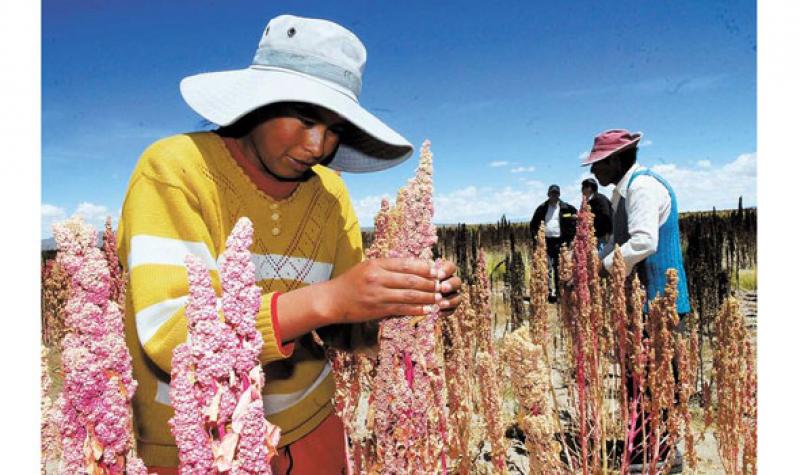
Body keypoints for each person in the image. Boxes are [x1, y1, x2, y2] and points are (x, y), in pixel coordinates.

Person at [117, 15, 462, 474]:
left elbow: (344, 328)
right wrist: (328, 299)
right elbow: (170, 335)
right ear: (255, 104)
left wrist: (402, 306)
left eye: (335, 128)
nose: (318, 145)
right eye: (303, 119)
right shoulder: (174, 171)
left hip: (311, 429)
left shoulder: (330, 195)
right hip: (198, 445)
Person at [584, 128, 690, 473]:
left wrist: (599, 269)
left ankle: (662, 457)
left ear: (615, 160)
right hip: (642, 302)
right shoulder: (623, 191)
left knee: (654, 380)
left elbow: (643, 243)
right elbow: (619, 240)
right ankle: (646, 450)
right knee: (639, 379)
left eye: (598, 163)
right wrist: (587, 263)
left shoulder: (642, 187)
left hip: (660, 300)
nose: (593, 172)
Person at [529, 184, 577, 302]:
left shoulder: (567, 208)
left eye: (556, 193)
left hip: (561, 242)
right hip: (546, 241)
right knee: (546, 267)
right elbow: (533, 224)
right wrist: (536, 238)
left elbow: (576, 219)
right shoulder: (542, 208)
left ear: (559, 195)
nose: (554, 196)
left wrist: (571, 239)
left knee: (560, 267)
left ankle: (560, 294)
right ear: (548, 194)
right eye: (552, 193)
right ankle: (548, 293)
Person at [581, 177, 613, 253]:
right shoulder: (589, 201)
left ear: (589, 188)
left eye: (583, 188)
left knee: (600, 257)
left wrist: (608, 232)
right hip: (595, 235)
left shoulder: (600, 199)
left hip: (602, 235)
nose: (581, 190)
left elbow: (607, 215)